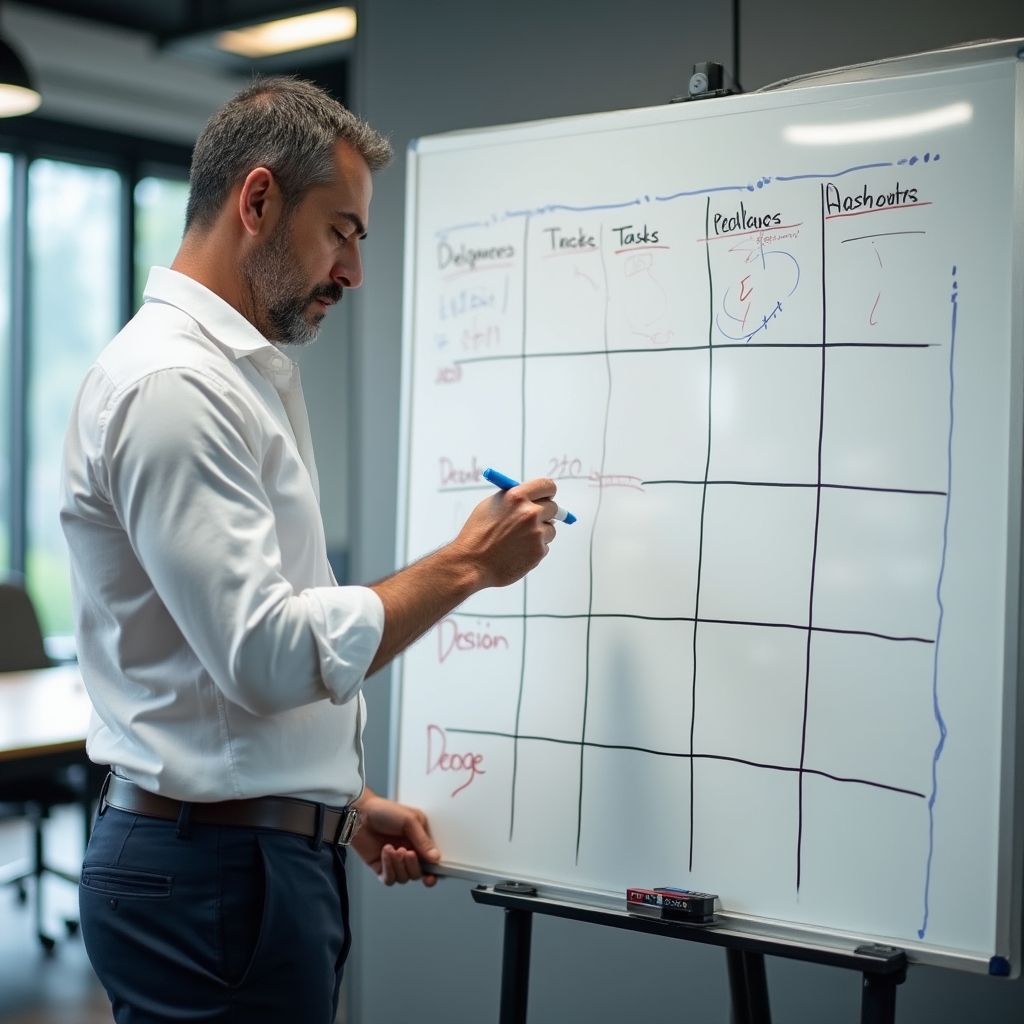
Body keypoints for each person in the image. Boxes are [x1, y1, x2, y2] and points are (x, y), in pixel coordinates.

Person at [61, 77, 560, 1024]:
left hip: (241, 860)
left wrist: (339, 801)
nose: (353, 270)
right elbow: (265, 654)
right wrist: (467, 566)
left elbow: (212, 678)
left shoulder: (231, 378)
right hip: (214, 875)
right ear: (257, 202)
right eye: (343, 230)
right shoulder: (176, 388)